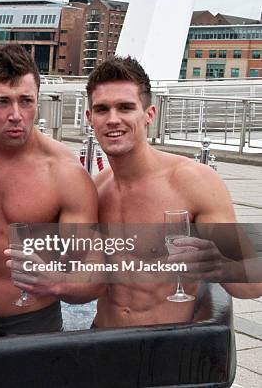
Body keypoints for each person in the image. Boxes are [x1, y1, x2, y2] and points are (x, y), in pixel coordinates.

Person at [86, 56, 262, 327]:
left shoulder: (194, 182)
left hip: (164, 347)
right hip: (101, 340)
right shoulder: (97, 189)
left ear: (149, 115)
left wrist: (222, 267)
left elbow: (253, 285)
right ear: (90, 118)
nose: (113, 119)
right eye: (102, 109)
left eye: (125, 107)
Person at [0, 44, 100, 337]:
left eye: (26, 101)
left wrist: (58, 282)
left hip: (32, 327)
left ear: (37, 100)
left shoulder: (66, 176)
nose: (16, 114)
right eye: (2, 102)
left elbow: (93, 277)